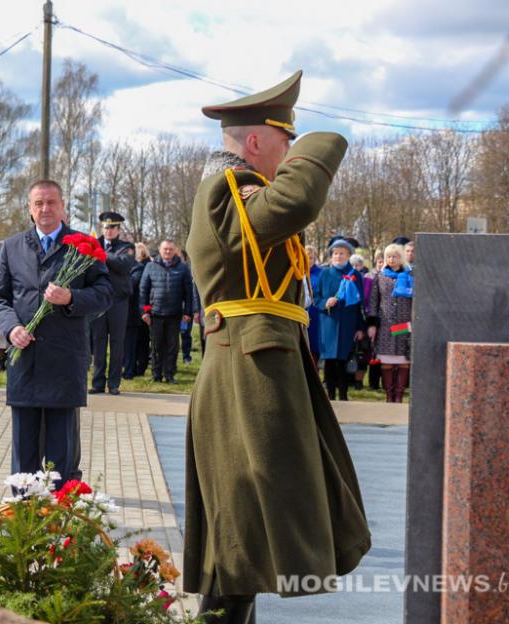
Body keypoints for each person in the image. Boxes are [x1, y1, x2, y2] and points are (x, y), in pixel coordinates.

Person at [185, 70, 370, 623]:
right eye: (286, 141)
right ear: (258, 141)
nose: (289, 154)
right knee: (237, 535)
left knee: (248, 537)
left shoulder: (242, 191)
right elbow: (294, 202)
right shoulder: (227, 189)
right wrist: (326, 139)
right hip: (248, 372)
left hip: (261, 367)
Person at [0, 179, 112, 482]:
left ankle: (61, 519)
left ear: (63, 206)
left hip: (64, 362)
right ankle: (23, 517)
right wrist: (11, 328)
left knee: (62, 457)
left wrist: (72, 298)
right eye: (38, 203)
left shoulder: (84, 246)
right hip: (25, 362)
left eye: (51, 202)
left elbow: (106, 293)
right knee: (24, 460)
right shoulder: (12, 246)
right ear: (30, 209)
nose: (45, 209)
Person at [89, 211, 134, 395]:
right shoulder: (94, 243)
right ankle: (98, 382)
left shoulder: (126, 246)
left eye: (112, 227)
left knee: (117, 343)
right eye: (106, 227)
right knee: (98, 343)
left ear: (118, 229)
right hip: (99, 300)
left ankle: (114, 383)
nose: (108, 230)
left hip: (118, 301)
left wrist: (100, 255)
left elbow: (123, 264)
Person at [315, 238, 365, 401]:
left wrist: (359, 327)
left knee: (343, 360)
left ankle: (343, 396)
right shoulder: (325, 273)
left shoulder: (354, 275)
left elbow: (359, 304)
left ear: (349, 255)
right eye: (335, 253)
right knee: (329, 361)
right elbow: (316, 298)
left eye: (342, 254)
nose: (338, 256)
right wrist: (325, 302)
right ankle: (330, 396)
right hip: (329, 323)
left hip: (347, 323)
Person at [138, 239, 192, 384]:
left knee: (172, 346)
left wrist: (188, 312)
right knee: (156, 345)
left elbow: (188, 292)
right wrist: (145, 311)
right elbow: (144, 291)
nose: (167, 251)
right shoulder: (150, 266)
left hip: (175, 314)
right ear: (160, 250)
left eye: (170, 249)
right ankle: (156, 374)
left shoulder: (183, 267)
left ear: (175, 251)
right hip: (155, 314)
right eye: (165, 249)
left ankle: (169, 374)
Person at [366, 243, 413, 402]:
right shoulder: (380, 277)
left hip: (405, 325)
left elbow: (417, 300)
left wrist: (415, 322)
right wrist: (372, 324)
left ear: (401, 258)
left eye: (394, 256)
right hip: (386, 325)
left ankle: (399, 396)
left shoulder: (410, 276)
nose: (391, 259)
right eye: (388, 257)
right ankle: (389, 394)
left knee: (403, 361)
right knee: (386, 361)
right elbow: (373, 301)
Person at [124, 242, 151, 379]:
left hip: (136, 310)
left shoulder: (140, 268)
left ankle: (135, 368)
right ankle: (131, 367)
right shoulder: (129, 267)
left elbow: (133, 286)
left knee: (138, 342)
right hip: (129, 310)